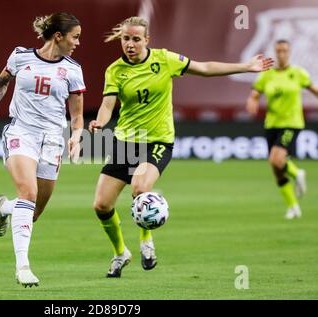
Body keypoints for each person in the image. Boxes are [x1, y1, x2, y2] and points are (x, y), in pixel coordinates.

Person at [88, 16, 274, 278]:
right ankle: (120, 252)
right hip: (126, 141)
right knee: (101, 205)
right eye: (126, 39)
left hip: (157, 140)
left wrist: (247, 66)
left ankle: (146, 241)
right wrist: (100, 122)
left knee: (140, 188)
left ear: (147, 40)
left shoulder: (164, 59)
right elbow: (108, 105)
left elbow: (205, 68)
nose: (130, 44)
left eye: (136, 39)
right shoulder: (115, 70)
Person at [0, 12, 85, 287]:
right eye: (75, 37)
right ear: (58, 36)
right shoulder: (20, 56)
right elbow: (2, 82)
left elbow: (76, 112)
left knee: (32, 211)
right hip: (21, 132)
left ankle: (5, 208)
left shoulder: (72, 70)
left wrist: (76, 137)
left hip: (52, 140)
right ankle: (23, 267)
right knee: (28, 192)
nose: (77, 43)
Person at [246, 39, 318, 219]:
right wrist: (252, 101)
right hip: (272, 124)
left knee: (275, 158)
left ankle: (297, 172)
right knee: (276, 168)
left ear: (289, 52)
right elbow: (255, 94)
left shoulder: (298, 73)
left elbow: (314, 89)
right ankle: (293, 206)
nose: (281, 54)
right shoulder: (267, 74)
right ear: (275, 52)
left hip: (291, 123)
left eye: (285, 51)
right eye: (278, 51)